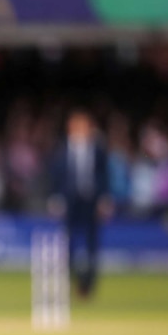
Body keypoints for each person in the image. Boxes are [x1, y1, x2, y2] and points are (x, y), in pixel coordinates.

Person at [48, 108, 113, 298]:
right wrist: (55, 198)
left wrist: (104, 199)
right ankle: (70, 280)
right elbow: (56, 176)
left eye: (84, 125)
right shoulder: (62, 148)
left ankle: (89, 284)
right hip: (70, 201)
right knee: (69, 242)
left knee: (92, 243)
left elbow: (104, 175)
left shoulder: (98, 149)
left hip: (92, 201)